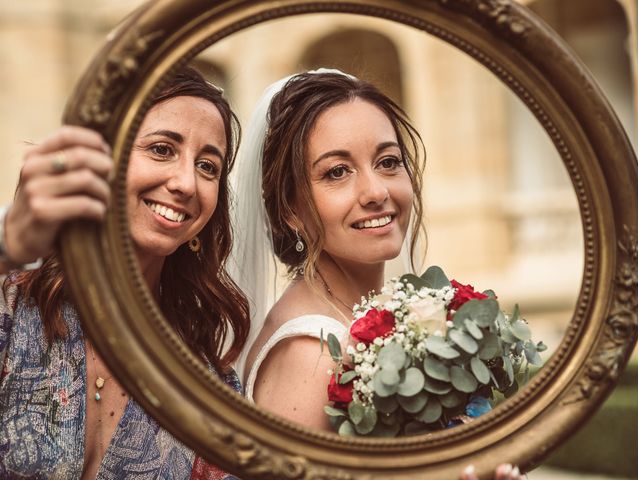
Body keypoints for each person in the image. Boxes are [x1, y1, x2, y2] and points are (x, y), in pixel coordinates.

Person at [233, 70, 526, 480]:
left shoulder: (373, 317)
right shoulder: (311, 354)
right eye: (337, 172)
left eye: (388, 162)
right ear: (289, 210)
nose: (376, 192)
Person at [0, 67, 249, 479]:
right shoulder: (13, 308)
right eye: (162, 150)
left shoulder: (211, 389)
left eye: (208, 166)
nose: (186, 182)